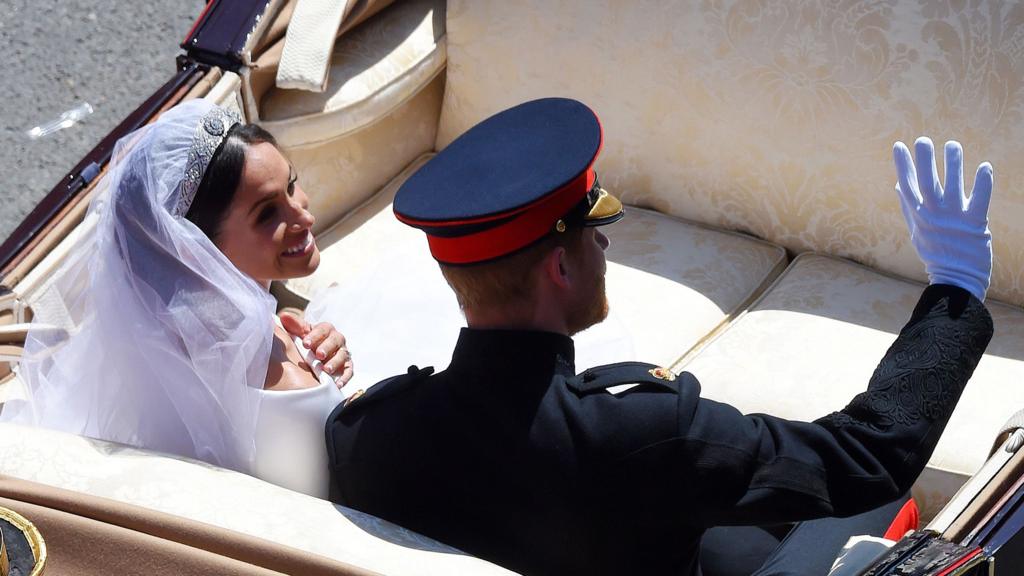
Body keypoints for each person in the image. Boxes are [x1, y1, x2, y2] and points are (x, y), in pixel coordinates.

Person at [325, 98, 995, 575]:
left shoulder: (367, 433)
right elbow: (871, 455)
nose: (606, 241)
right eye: (593, 230)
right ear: (559, 265)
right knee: (877, 506)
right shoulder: (645, 432)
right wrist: (955, 291)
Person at [1, 99, 352, 498]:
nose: (303, 217)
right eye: (267, 214)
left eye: (292, 185)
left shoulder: (172, 338)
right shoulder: (284, 390)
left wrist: (296, 329)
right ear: (195, 245)